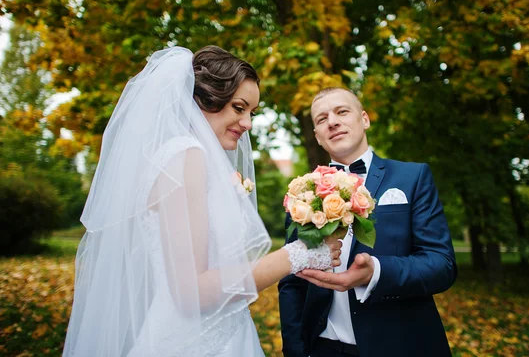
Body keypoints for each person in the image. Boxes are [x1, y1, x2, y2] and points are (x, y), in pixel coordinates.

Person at [62, 46, 342, 357]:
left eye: (252, 112)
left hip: (220, 332)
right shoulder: (186, 157)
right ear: (202, 99)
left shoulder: (186, 158)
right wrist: (297, 255)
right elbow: (191, 292)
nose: (248, 123)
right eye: (239, 107)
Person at [278, 87, 457, 357]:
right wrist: (295, 350)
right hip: (323, 348)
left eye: (342, 111)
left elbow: (441, 265)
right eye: (322, 119)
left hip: (401, 345)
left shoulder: (413, 177)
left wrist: (376, 271)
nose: (333, 122)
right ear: (317, 136)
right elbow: (292, 282)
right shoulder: (302, 193)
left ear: (364, 119)